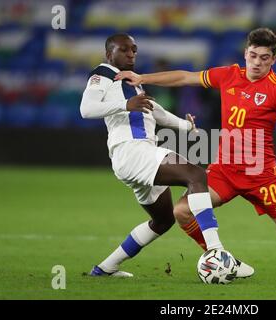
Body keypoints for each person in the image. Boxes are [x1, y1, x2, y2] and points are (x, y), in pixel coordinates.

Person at [115, 28, 276, 282]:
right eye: (253, 55)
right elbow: (185, 77)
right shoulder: (229, 75)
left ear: (273, 60)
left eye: (264, 58)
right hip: (225, 171)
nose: (257, 62)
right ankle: (219, 258)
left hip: (262, 176)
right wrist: (143, 78)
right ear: (245, 53)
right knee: (182, 212)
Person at [79, 33, 253, 278]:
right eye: (124, 50)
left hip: (136, 157)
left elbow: (153, 109)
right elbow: (86, 109)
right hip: (133, 151)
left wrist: (185, 125)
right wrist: (125, 106)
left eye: (134, 50)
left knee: (162, 221)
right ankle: (216, 251)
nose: (131, 54)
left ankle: (105, 268)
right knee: (195, 175)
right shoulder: (103, 74)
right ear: (109, 54)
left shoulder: (130, 82)